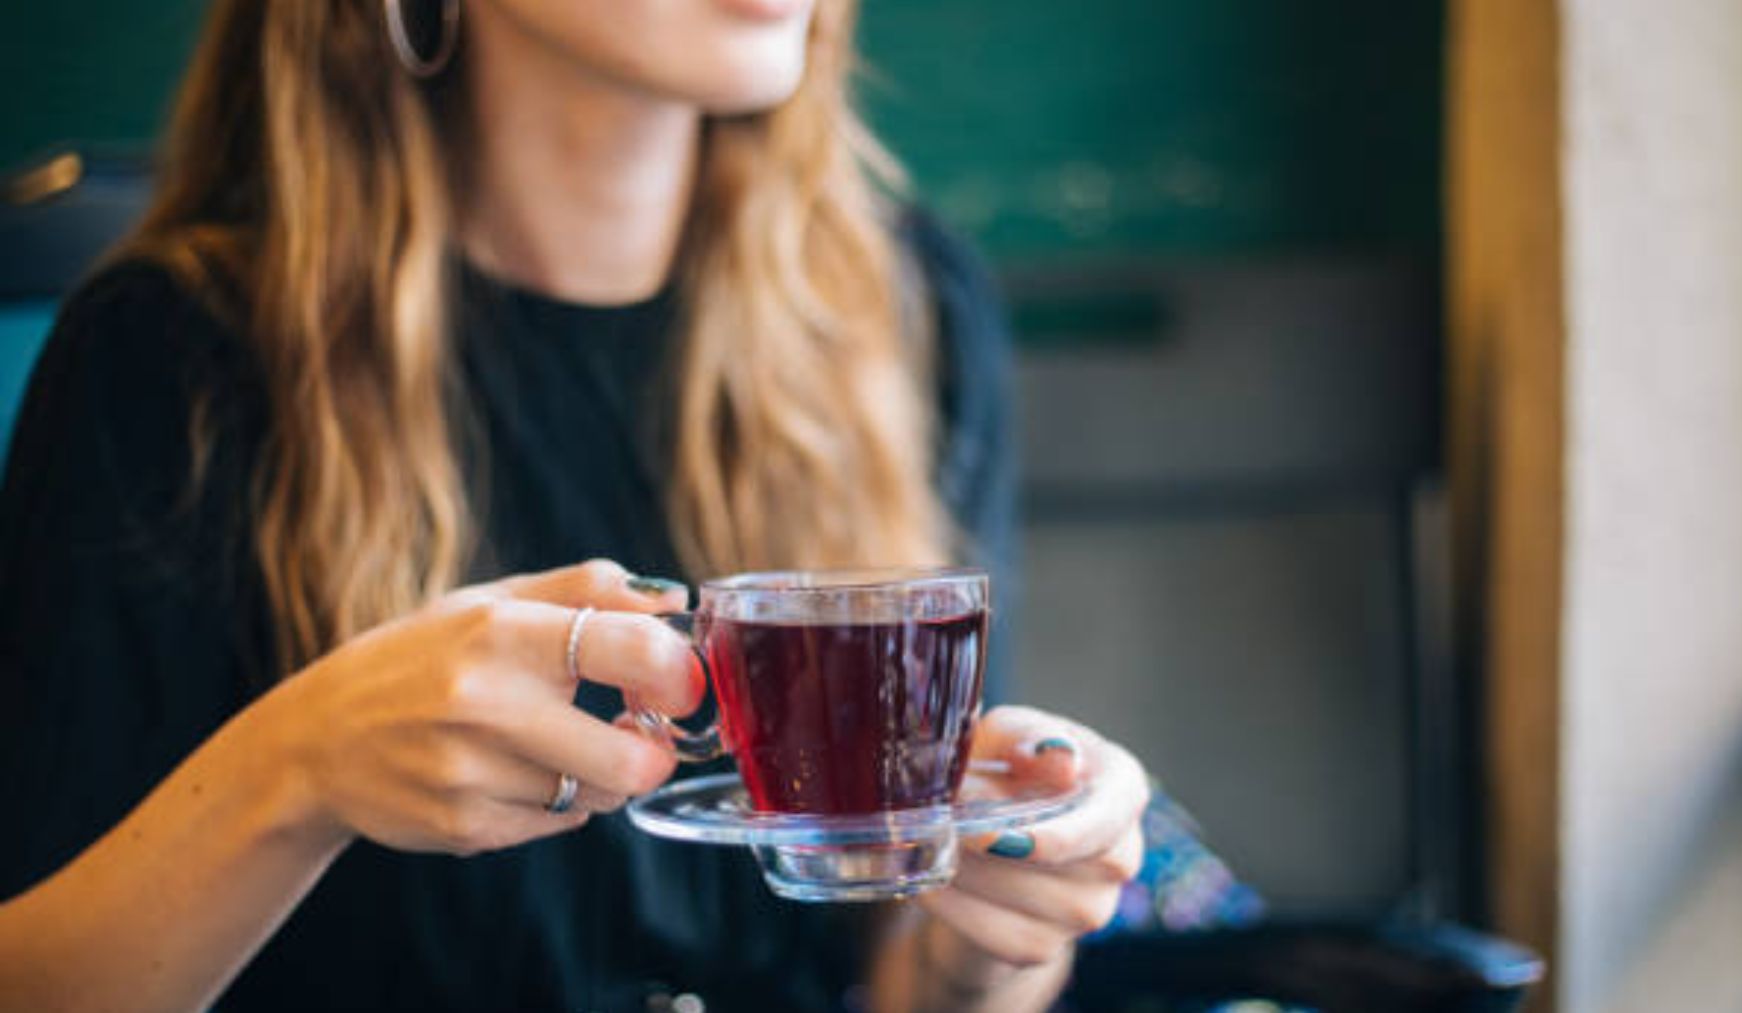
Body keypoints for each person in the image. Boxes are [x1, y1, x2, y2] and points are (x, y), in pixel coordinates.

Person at [0, 0, 1151, 1010]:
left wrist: (998, 937)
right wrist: (301, 772)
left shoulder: (912, 314)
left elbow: (909, 963)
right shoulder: (170, 357)